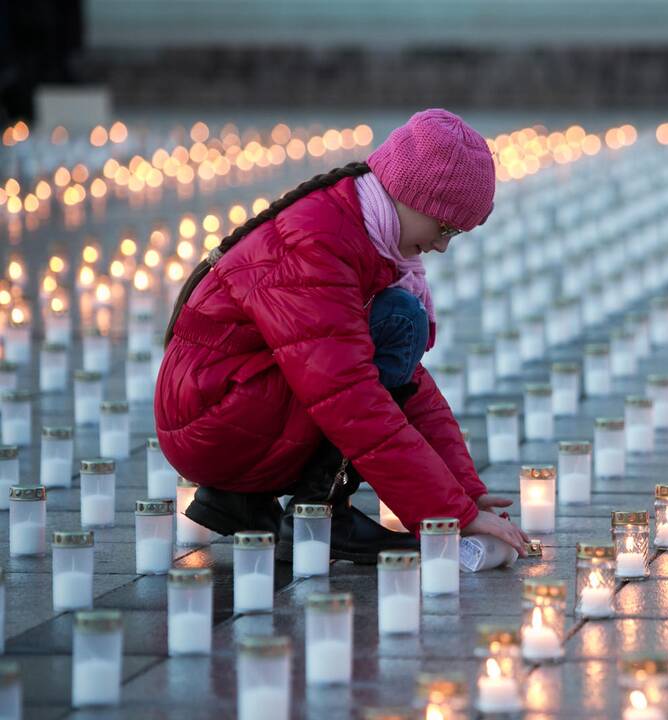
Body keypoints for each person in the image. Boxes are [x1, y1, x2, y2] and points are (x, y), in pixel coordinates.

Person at [154, 109, 529, 563]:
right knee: (397, 324)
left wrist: (465, 490)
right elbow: (350, 395)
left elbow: (409, 385)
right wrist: (449, 513)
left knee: (395, 324)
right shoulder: (318, 244)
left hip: (230, 402)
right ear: (410, 196)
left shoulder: (356, 228)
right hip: (214, 418)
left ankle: (243, 501)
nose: (442, 245)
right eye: (444, 227)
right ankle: (319, 511)